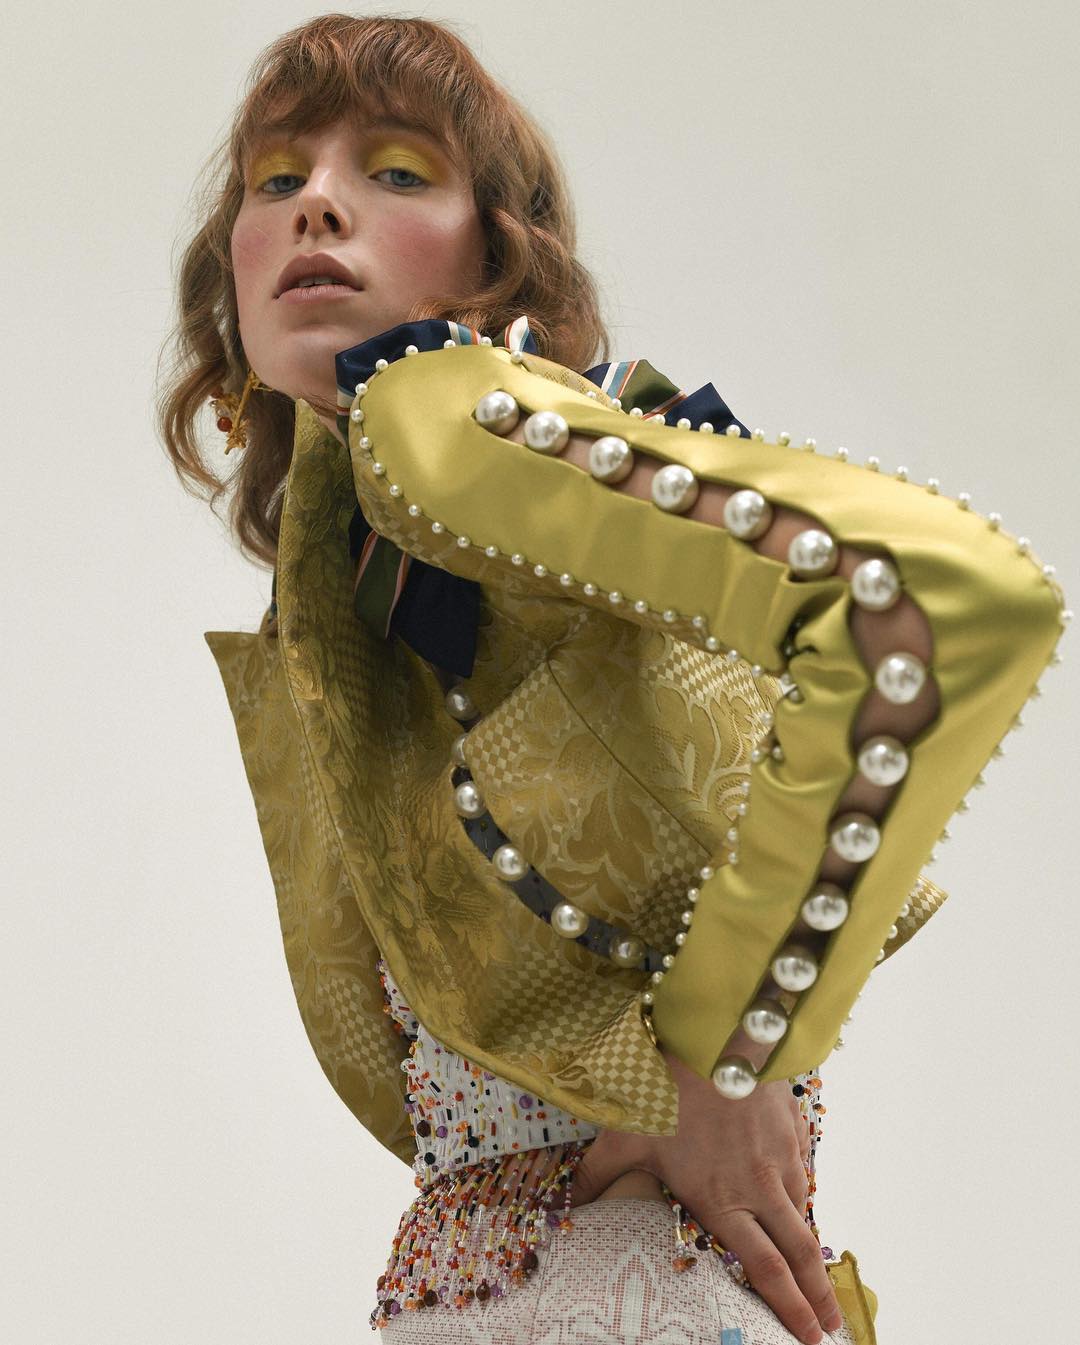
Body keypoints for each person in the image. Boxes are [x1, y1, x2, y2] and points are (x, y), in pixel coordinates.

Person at [156, 14, 1067, 1345]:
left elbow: (936, 605)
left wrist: (726, 1048)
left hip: (620, 1297)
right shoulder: (344, 566)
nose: (317, 206)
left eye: (397, 172)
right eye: (275, 179)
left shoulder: (444, 421)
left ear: (494, 258)